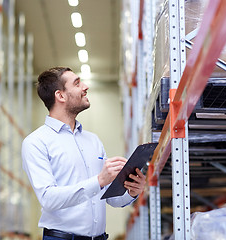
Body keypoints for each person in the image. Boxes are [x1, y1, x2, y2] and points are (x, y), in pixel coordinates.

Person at [21, 67, 146, 240]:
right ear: (61, 96)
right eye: (77, 83)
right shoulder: (36, 142)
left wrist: (132, 192)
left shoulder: (93, 140)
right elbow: (49, 199)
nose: (85, 86)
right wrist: (99, 180)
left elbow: (110, 198)